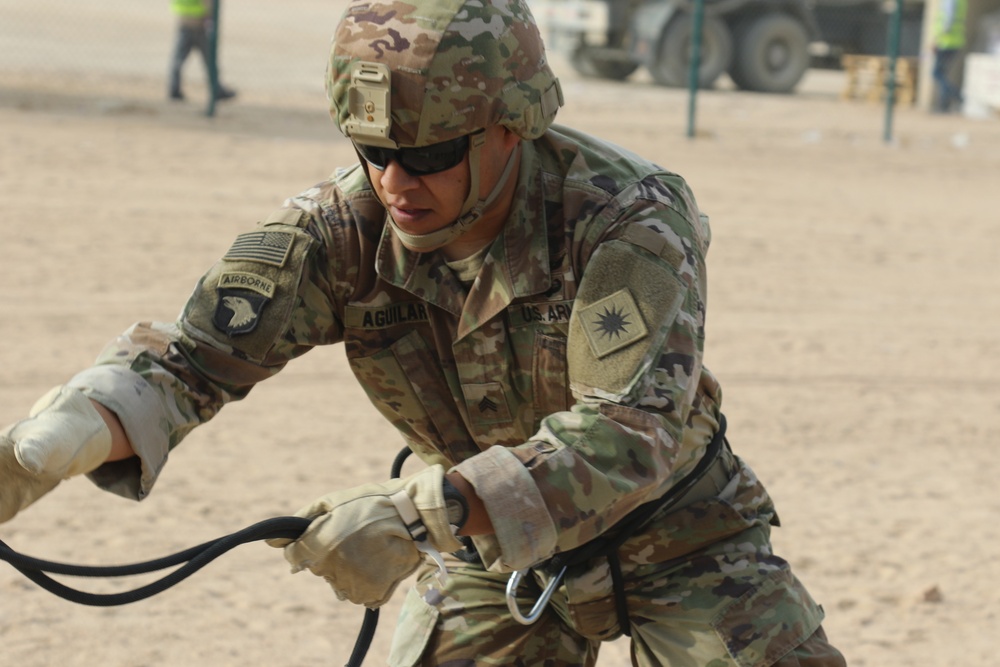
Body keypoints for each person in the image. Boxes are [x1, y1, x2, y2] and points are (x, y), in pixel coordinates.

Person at [0, 0, 845, 664]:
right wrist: (74, 427)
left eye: (432, 153)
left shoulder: (625, 218)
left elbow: (629, 435)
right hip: (487, 549)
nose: (396, 180)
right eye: (371, 147)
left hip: (678, 540)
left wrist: (424, 515)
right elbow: (194, 360)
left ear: (515, 124)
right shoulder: (341, 228)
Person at [168, 0, 236, 102]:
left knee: (178, 60)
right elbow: (208, 4)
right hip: (198, 23)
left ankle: (174, 88)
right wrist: (210, 16)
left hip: (184, 21)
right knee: (209, 60)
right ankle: (216, 89)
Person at [932, 0, 968, 113]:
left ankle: (959, 97)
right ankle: (944, 105)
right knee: (942, 74)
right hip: (955, 42)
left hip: (946, 43)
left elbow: (948, 20)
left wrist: (937, 39)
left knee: (937, 73)